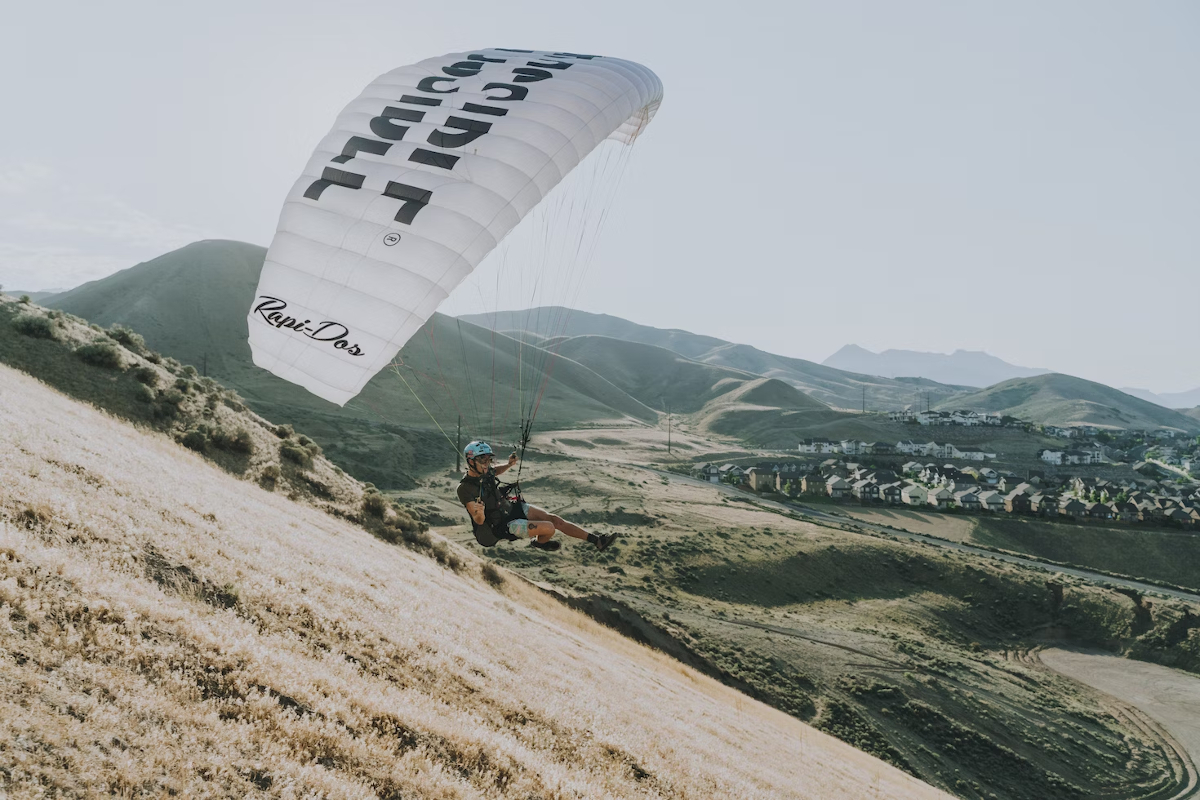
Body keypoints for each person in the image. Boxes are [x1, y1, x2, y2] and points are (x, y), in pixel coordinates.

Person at [456, 440, 618, 552]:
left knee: (554, 519)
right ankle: (540, 543)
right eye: (483, 461)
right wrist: (480, 513)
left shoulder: (486, 470)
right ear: (471, 461)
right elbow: (478, 520)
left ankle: (597, 541)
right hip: (496, 527)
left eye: (488, 460)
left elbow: (495, 471)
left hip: (508, 508)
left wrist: (509, 465)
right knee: (549, 527)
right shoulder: (465, 488)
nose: (487, 464)